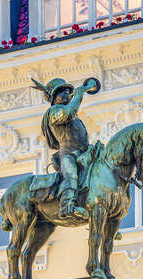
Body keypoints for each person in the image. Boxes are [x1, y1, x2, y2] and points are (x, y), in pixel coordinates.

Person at [32, 78, 91, 221]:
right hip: (68, 153)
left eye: (68, 91)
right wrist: (78, 96)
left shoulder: (74, 116)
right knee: (71, 174)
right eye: (62, 92)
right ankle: (66, 205)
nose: (67, 94)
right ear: (53, 97)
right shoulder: (54, 111)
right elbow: (68, 114)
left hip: (83, 152)